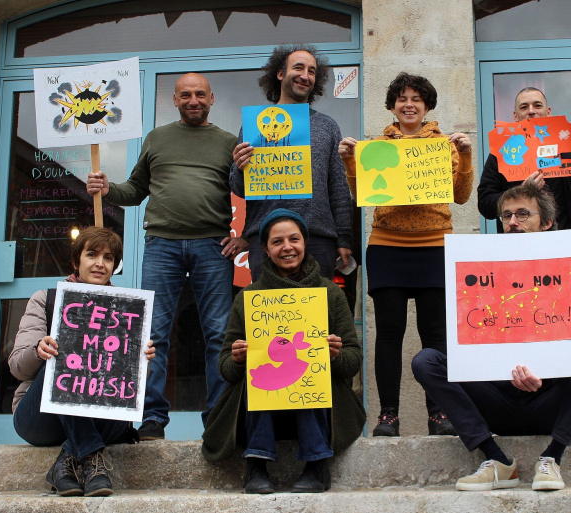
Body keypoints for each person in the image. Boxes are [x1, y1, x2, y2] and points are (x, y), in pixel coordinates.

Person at [411, 182, 571, 491]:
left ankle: (552, 457)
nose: (512, 223)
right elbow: (470, 337)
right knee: (426, 360)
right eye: (506, 216)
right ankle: (496, 460)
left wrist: (544, 374)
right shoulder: (480, 266)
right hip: (494, 400)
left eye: (522, 214)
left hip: (548, 400)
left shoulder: (570, 266)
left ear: (546, 222)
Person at [86, 73, 246, 439]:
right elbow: (135, 190)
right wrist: (108, 188)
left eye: (200, 94)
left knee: (219, 335)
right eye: (186, 94)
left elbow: (249, 192)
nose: (194, 100)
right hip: (162, 246)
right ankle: (153, 419)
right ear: (174, 100)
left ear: (212, 98)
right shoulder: (157, 138)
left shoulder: (228, 143)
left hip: (213, 247)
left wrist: (246, 236)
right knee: (151, 335)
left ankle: (218, 420)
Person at [338, 73, 473, 436]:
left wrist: (466, 155)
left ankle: (438, 414)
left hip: (435, 247)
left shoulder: (445, 145)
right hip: (387, 245)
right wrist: (351, 162)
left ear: (427, 105)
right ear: (393, 106)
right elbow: (361, 194)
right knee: (389, 333)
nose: (409, 104)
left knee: (434, 336)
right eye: (401, 98)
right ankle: (388, 416)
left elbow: (461, 196)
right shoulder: (377, 145)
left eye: (416, 98)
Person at [201, 209, 365, 494]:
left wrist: (335, 355)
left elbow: (353, 360)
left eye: (294, 239)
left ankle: (316, 463)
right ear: (265, 249)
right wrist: (238, 358)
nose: (287, 247)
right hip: (262, 410)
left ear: (305, 243)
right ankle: (257, 462)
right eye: (277, 242)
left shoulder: (330, 293)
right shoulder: (249, 297)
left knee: (305, 375)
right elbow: (225, 367)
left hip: (319, 407)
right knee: (260, 378)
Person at [9, 227, 156, 497]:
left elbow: (125, 390)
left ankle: (67, 463)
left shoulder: (127, 311)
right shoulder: (46, 299)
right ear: (76, 261)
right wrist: (39, 349)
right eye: (92, 255)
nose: (100, 263)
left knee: (118, 389)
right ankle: (93, 460)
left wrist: (140, 361)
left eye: (109, 258)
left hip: (102, 417)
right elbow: (17, 367)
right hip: (41, 419)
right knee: (69, 347)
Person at [230, 44, 353, 281]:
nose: (305, 76)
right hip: (267, 239)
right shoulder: (254, 125)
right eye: (298, 68)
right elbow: (239, 189)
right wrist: (239, 167)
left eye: (311, 71)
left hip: (317, 239)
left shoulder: (327, 126)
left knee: (319, 315)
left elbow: (338, 187)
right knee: (270, 316)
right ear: (280, 74)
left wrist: (344, 238)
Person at [477, 87, 571, 232]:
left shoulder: (569, 149)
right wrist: (521, 191)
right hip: (520, 239)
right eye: (524, 107)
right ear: (515, 116)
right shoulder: (502, 153)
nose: (531, 111)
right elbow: (485, 204)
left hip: (565, 235)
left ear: (548, 112)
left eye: (537, 105)